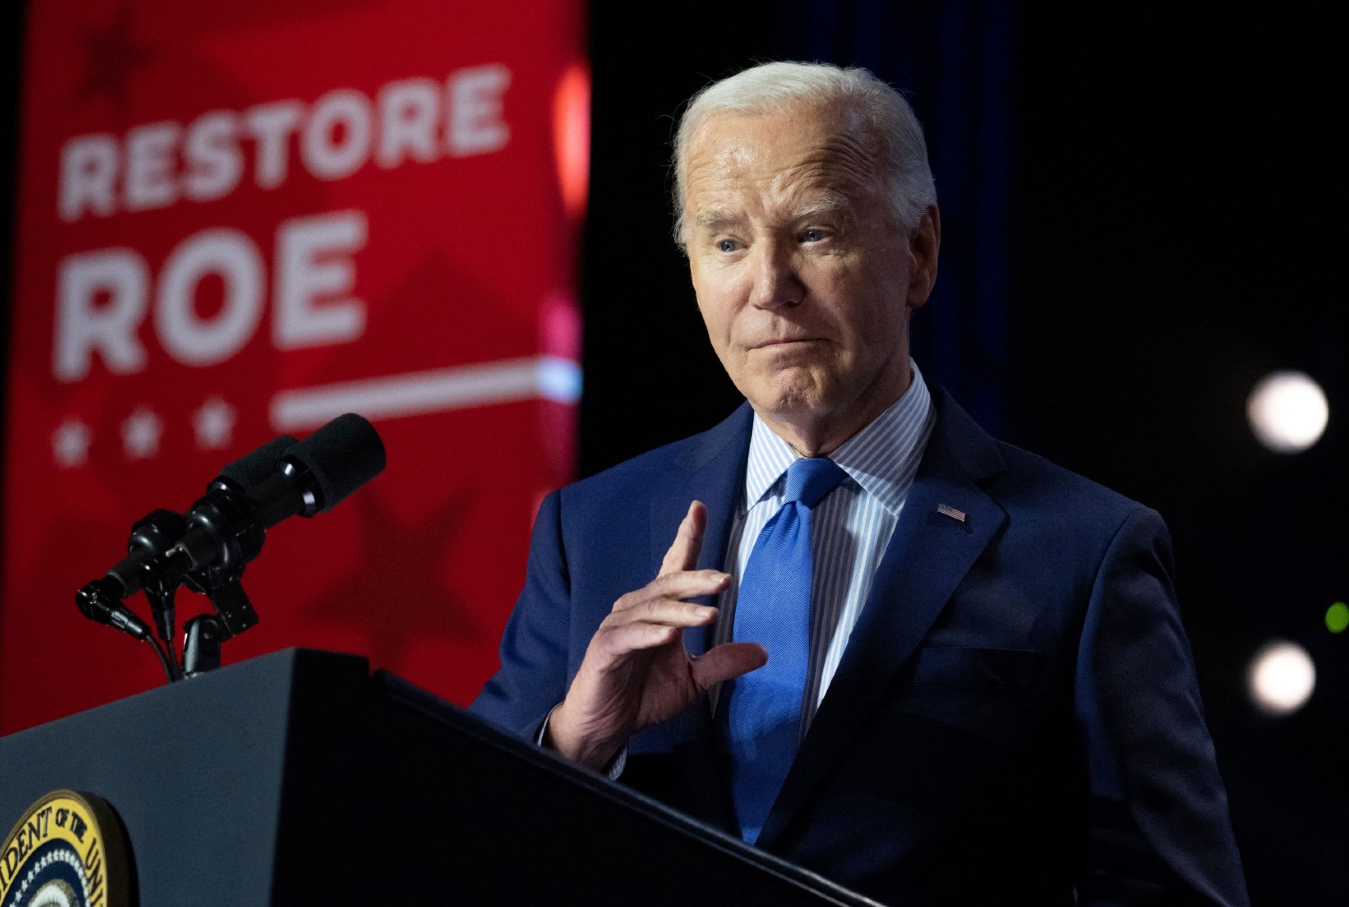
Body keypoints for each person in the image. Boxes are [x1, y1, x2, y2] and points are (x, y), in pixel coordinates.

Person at [469, 60, 1249, 906]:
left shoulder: (1083, 548)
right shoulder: (591, 529)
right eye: (726, 241)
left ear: (918, 253)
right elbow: (454, 845)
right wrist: (571, 744)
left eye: (813, 233)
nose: (769, 288)